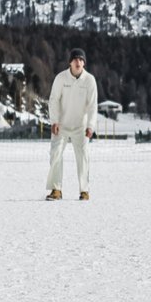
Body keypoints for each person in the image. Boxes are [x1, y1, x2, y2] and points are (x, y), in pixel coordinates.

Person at [45, 47, 98, 200]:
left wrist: (90, 126)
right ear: (70, 62)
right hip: (60, 125)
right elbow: (53, 100)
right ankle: (56, 190)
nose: (78, 62)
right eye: (75, 59)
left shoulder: (90, 80)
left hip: (80, 127)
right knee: (55, 154)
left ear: (84, 63)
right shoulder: (61, 78)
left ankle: (84, 190)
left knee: (83, 156)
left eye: (81, 60)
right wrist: (54, 121)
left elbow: (92, 105)